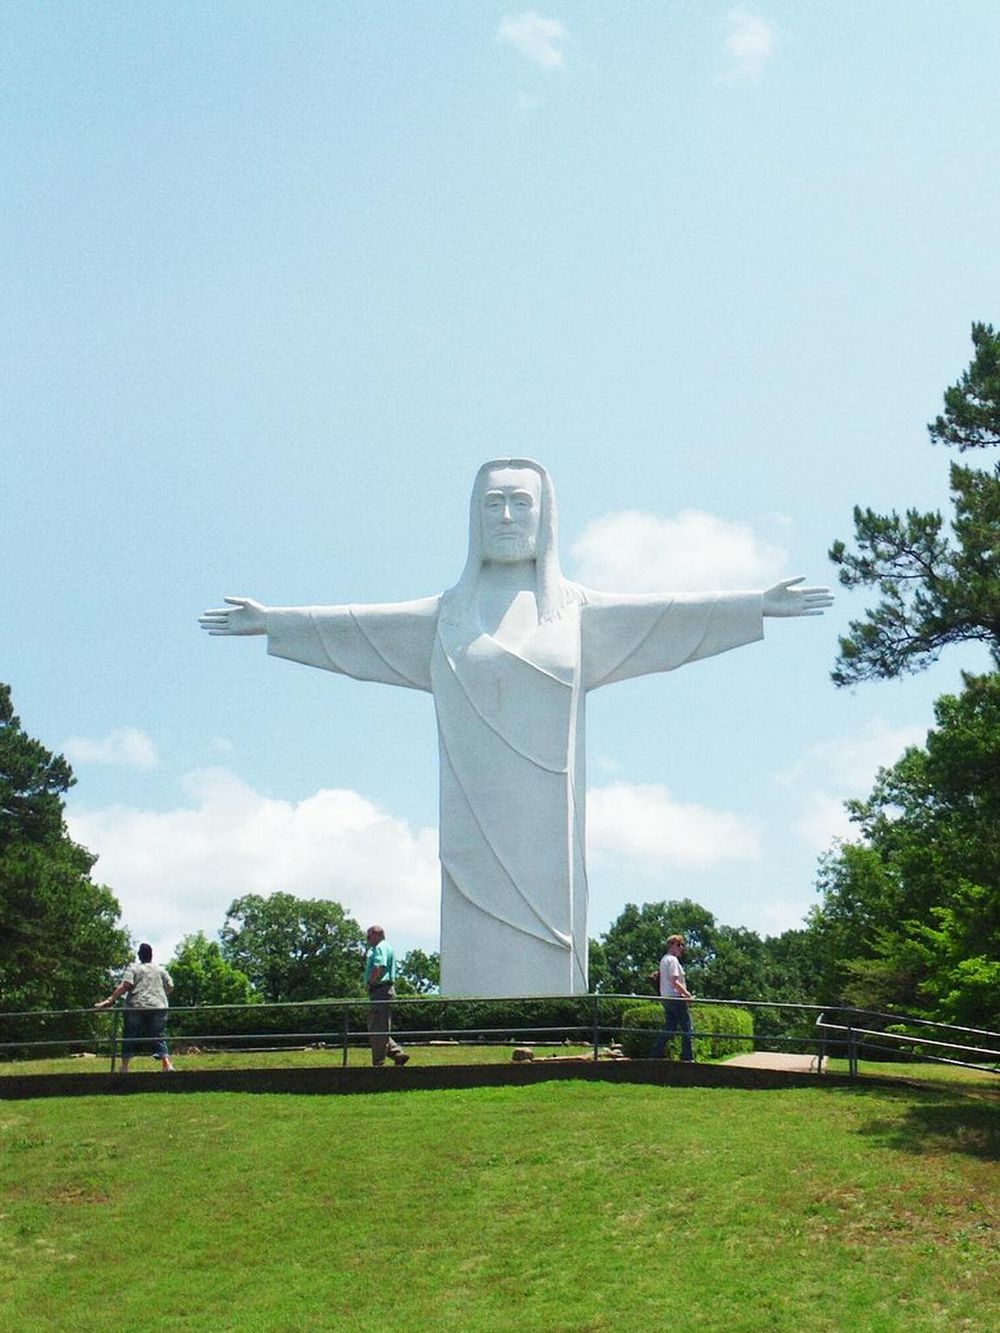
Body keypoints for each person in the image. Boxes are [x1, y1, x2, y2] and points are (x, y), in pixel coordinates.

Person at [200, 458, 832, 997]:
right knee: (470, 914)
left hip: (550, 829)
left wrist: (757, 606)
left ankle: (550, 1004)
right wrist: (272, 622)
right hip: (470, 820)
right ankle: (474, 1008)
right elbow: (356, 629)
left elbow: (670, 617)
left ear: (545, 516)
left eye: (519, 504)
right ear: (474, 517)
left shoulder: (579, 612)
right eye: (492, 504)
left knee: (554, 922)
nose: (505, 517)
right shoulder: (444, 619)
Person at [95, 942, 175, 1073]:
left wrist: (110, 1000)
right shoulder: (160, 969)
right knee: (158, 1035)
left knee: (130, 1035)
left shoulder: (133, 968)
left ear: (139, 955)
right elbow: (170, 985)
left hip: (136, 1006)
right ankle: (166, 1065)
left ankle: (125, 1067)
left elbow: (125, 985)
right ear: (151, 955)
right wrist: (159, 995)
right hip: (158, 1006)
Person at [363, 925, 410, 1067]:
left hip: (380, 990)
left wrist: (370, 982)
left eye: (369, 936)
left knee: (378, 1029)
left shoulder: (380, 947)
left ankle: (378, 1064)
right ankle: (397, 1054)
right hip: (384, 990)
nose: (367, 939)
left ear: (377, 935)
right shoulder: (386, 947)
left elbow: (380, 966)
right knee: (377, 1027)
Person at [651, 935, 694, 1062]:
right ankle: (687, 1058)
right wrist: (687, 995)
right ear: (672, 945)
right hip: (675, 998)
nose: (681, 948)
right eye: (679, 945)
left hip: (666, 997)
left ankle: (655, 1053)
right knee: (687, 1028)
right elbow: (674, 981)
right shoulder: (673, 961)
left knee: (670, 1028)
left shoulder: (664, 960)